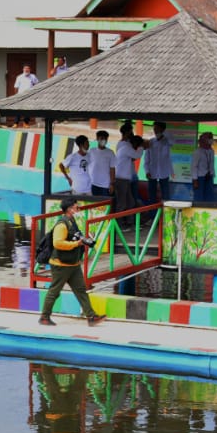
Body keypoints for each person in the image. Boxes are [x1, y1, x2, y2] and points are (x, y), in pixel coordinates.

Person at [38, 195, 106, 327]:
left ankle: (91, 316)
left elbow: (74, 238)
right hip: (61, 265)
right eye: (75, 205)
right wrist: (77, 244)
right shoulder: (62, 225)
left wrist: (85, 239)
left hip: (73, 264)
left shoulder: (72, 221)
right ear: (69, 208)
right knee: (54, 291)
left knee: (81, 290)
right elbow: (57, 243)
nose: (78, 206)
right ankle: (44, 317)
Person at [114, 125, 144, 215]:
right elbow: (136, 156)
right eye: (131, 131)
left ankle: (129, 222)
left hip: (126, 178)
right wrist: (141, 147)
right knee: (122, 204)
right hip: (122, 179)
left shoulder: (122, 145)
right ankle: (118, 226)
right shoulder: (126, 147)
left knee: (130, 202)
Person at [142, 121, 172, 204]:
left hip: (164, 173)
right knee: (151, 196)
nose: (155, 131)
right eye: (154, 128)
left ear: (163, 129)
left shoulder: (168, 142)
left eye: (157, 129)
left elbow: (171, 141)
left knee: (166, 196)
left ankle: (166, 215)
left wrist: (163, 136)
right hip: (152, 173)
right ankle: (152, 215)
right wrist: (147, 171)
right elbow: (146, 160)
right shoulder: (150, 142)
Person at [190, 132, 215, 202]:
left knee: (209, 197)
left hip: (209, 176)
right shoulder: (198, 152)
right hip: (199, 178)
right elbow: (194, 166)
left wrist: (212, 174)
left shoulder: (211, 151)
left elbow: (211, 164)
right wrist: (195, 180)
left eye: (211, 138)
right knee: (199, 197)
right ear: (204, 140)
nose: (211, 140)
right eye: (209, 138)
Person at [88, 130, 114, 198]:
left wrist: (112, 184)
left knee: (103, 206)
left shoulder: (110, 153)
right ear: (97, 139)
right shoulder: (91, 151)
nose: (104, 140)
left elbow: (112, 169)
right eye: (102, 138)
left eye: (105, 139)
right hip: (92, 183)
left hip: (105, 185)